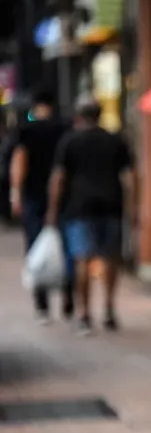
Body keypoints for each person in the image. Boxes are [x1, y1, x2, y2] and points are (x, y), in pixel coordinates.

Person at [47, 99, 135, 335]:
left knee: (83, 260)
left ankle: (84, 313)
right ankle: (108, 308)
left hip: (79, 207)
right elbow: (129, 178)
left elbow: (58, 177)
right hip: (111, 205)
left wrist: (53, 210)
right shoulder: (115, 140)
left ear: (79, 116)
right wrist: (133, 208)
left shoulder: (70, 141)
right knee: (111, 258)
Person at [8, 89, 73, 323]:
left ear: (35, 105)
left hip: (34, 196)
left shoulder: (26, 131)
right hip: (65, 196)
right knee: (67, 247)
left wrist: (16, 193)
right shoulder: (65, 128)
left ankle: (42, 304)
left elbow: (19, 162)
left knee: (35, 247)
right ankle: (69, 296)